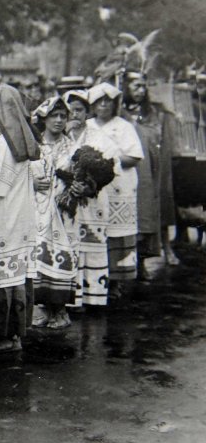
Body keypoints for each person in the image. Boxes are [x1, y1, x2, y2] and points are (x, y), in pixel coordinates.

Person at [0, 84, 41, 352]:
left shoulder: (5, 144)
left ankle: (2, 336)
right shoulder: (18, 138)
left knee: (0, 280)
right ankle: (15, 334)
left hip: (4, 219)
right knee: (15, 278)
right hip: (19, 219)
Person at [63, 89, 120, 308]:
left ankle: (93, 295)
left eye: (79, 110)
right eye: (70, 111)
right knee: (70, 243)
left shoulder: (99, 137)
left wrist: (89, 186)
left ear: (87, 113)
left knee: (92, 244)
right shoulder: (63, 137)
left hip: (93, 199)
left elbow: (112, 168)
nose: (74, 115)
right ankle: (71, 298)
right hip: (68, 198)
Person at [87, 83, 144, 300]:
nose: (103, 105)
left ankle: (116, 281)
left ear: (115, 104)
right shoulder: (87, 125)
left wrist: (107, 161)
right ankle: (93, 281)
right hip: (95, 189)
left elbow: (134, 157)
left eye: (108, 101)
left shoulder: (123, 126)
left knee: (116, 232)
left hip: (119, 187)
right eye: (99, 101)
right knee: (95, 232)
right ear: (92, 104)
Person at [30, 97, 80, 329]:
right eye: (54, 116)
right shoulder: (33, 146)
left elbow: (84, 178)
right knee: (39, 256)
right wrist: (31, 182)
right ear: (44, 118)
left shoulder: (73, 148)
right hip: (37, 209)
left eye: (63, 116)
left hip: (63, 210)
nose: (59, 121)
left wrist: (79, 187)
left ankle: (60, 309)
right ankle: (40, 307)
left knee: (62, 253)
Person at [121, 71, 179, 271]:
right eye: (135, 86)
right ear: (126, 87)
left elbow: (157, 135)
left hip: (148, 168)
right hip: (128, 167)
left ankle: (145, 259)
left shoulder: (152, 112)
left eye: (143, 86)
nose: (140, 90)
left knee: (147, 211)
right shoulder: (120, 111)